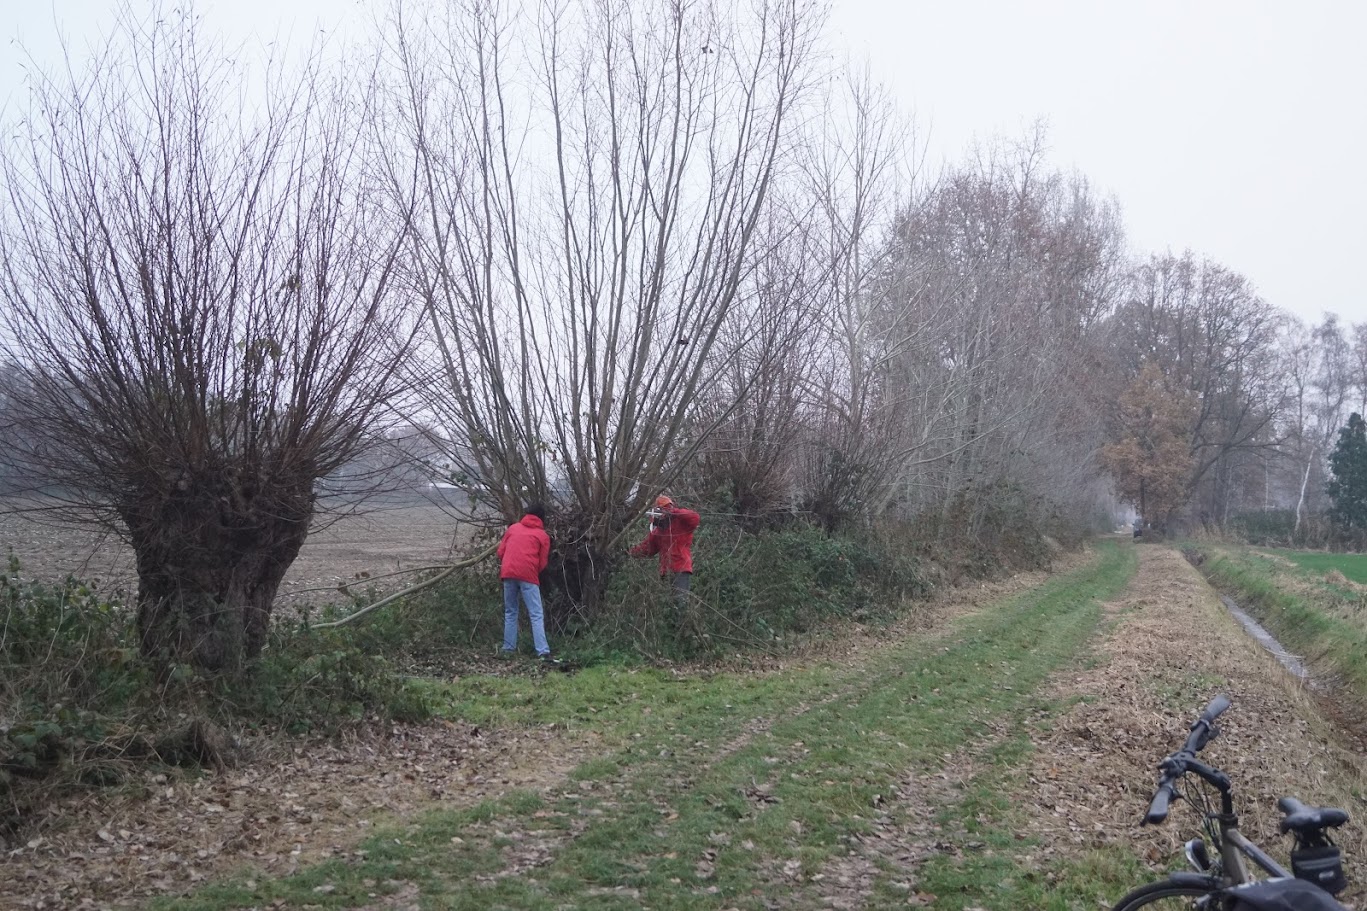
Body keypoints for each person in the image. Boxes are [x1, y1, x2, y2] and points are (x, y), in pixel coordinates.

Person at [497, 502, 556, 662]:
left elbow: (500, 551)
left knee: (510, 612)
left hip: (508, 573)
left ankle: (508, 649)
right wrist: (530, 570)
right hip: (528, 576)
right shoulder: (542, 535)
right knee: (536, 614)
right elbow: (542, 562)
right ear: (542, 518)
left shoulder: (513, 528)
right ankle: (542, 651)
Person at [629, 494, 701, 604]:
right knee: (668, 605)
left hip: (681, 569)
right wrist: (629, 552)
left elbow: (695, 517)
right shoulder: (658, 532)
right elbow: (647, 549)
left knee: (680, 603)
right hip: (666, 572)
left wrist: (674, 512)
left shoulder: (681, 524)